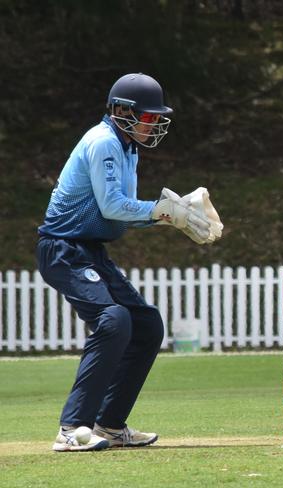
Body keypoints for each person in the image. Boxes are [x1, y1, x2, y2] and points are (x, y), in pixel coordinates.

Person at [37, 73, 216, 451]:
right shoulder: (103, 142)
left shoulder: (128, 147)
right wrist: (164, 212)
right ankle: (72, 429)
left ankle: (109, 425)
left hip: (91, 249)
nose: (152, 125)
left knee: (146, 325)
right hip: (62, 248)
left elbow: (122, 215)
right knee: (113, 319)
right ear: (121, 111)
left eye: (156, 118)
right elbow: (112, 206)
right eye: (147, 117)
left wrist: (174, 214)